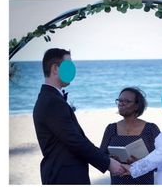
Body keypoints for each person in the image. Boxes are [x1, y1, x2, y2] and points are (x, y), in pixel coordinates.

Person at [32, 48, 124, 184]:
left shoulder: (50, 98)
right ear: (56, 68)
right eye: (69, 65)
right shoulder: (52, 102)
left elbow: (77, 138)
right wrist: (107, 163)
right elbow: (75, 141)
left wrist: (105, 156)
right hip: (63, 176)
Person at [100, 87, 160, 184]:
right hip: (118, 182)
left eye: (127, 101)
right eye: (120, 100)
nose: (121, 103)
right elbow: (101, 157)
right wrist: (111, 160)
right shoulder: (111, 129)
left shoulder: (151, 129)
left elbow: (160, 161)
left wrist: (141, 162)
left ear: (137, 106)